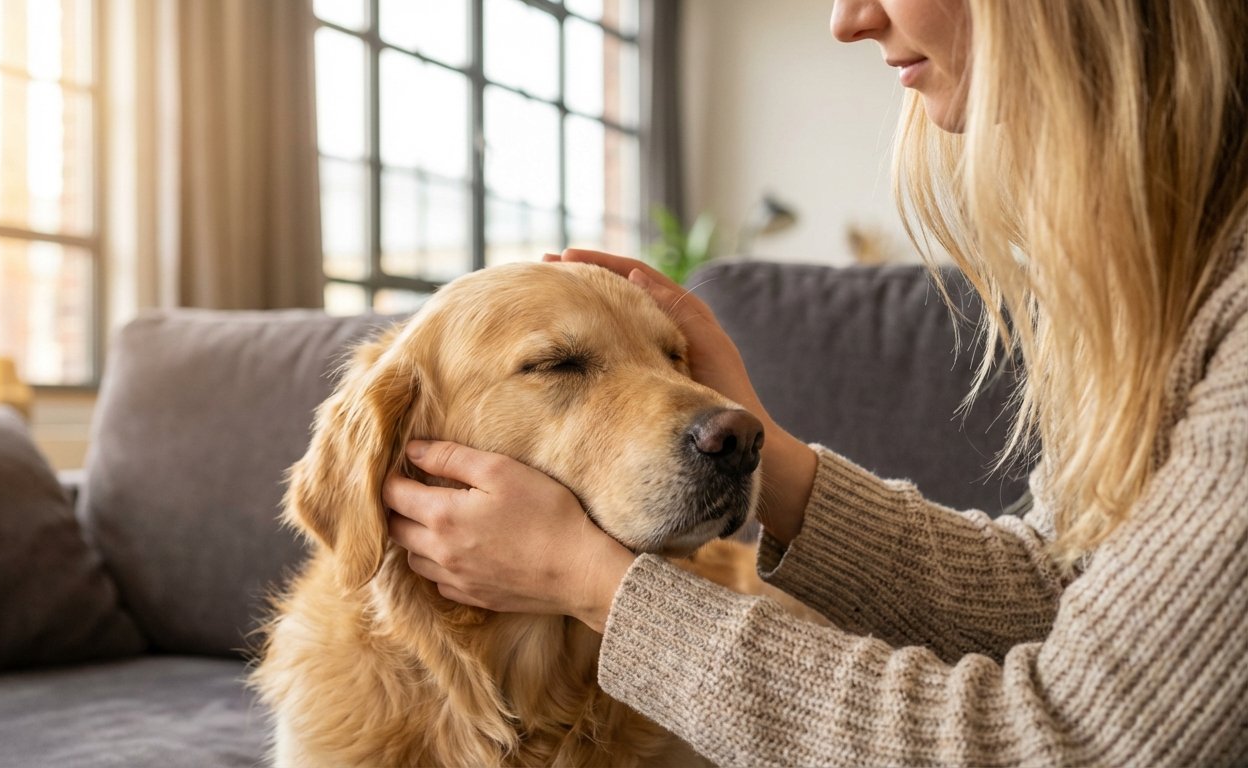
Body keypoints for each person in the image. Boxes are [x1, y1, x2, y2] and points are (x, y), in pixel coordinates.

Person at [383, 0, 1248, 764]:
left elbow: (1075, 744)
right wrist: (783, 472)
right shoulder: (1182, 277)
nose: (847, 19)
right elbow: (1061, 592)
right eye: (558, 363)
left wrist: (591, 583)